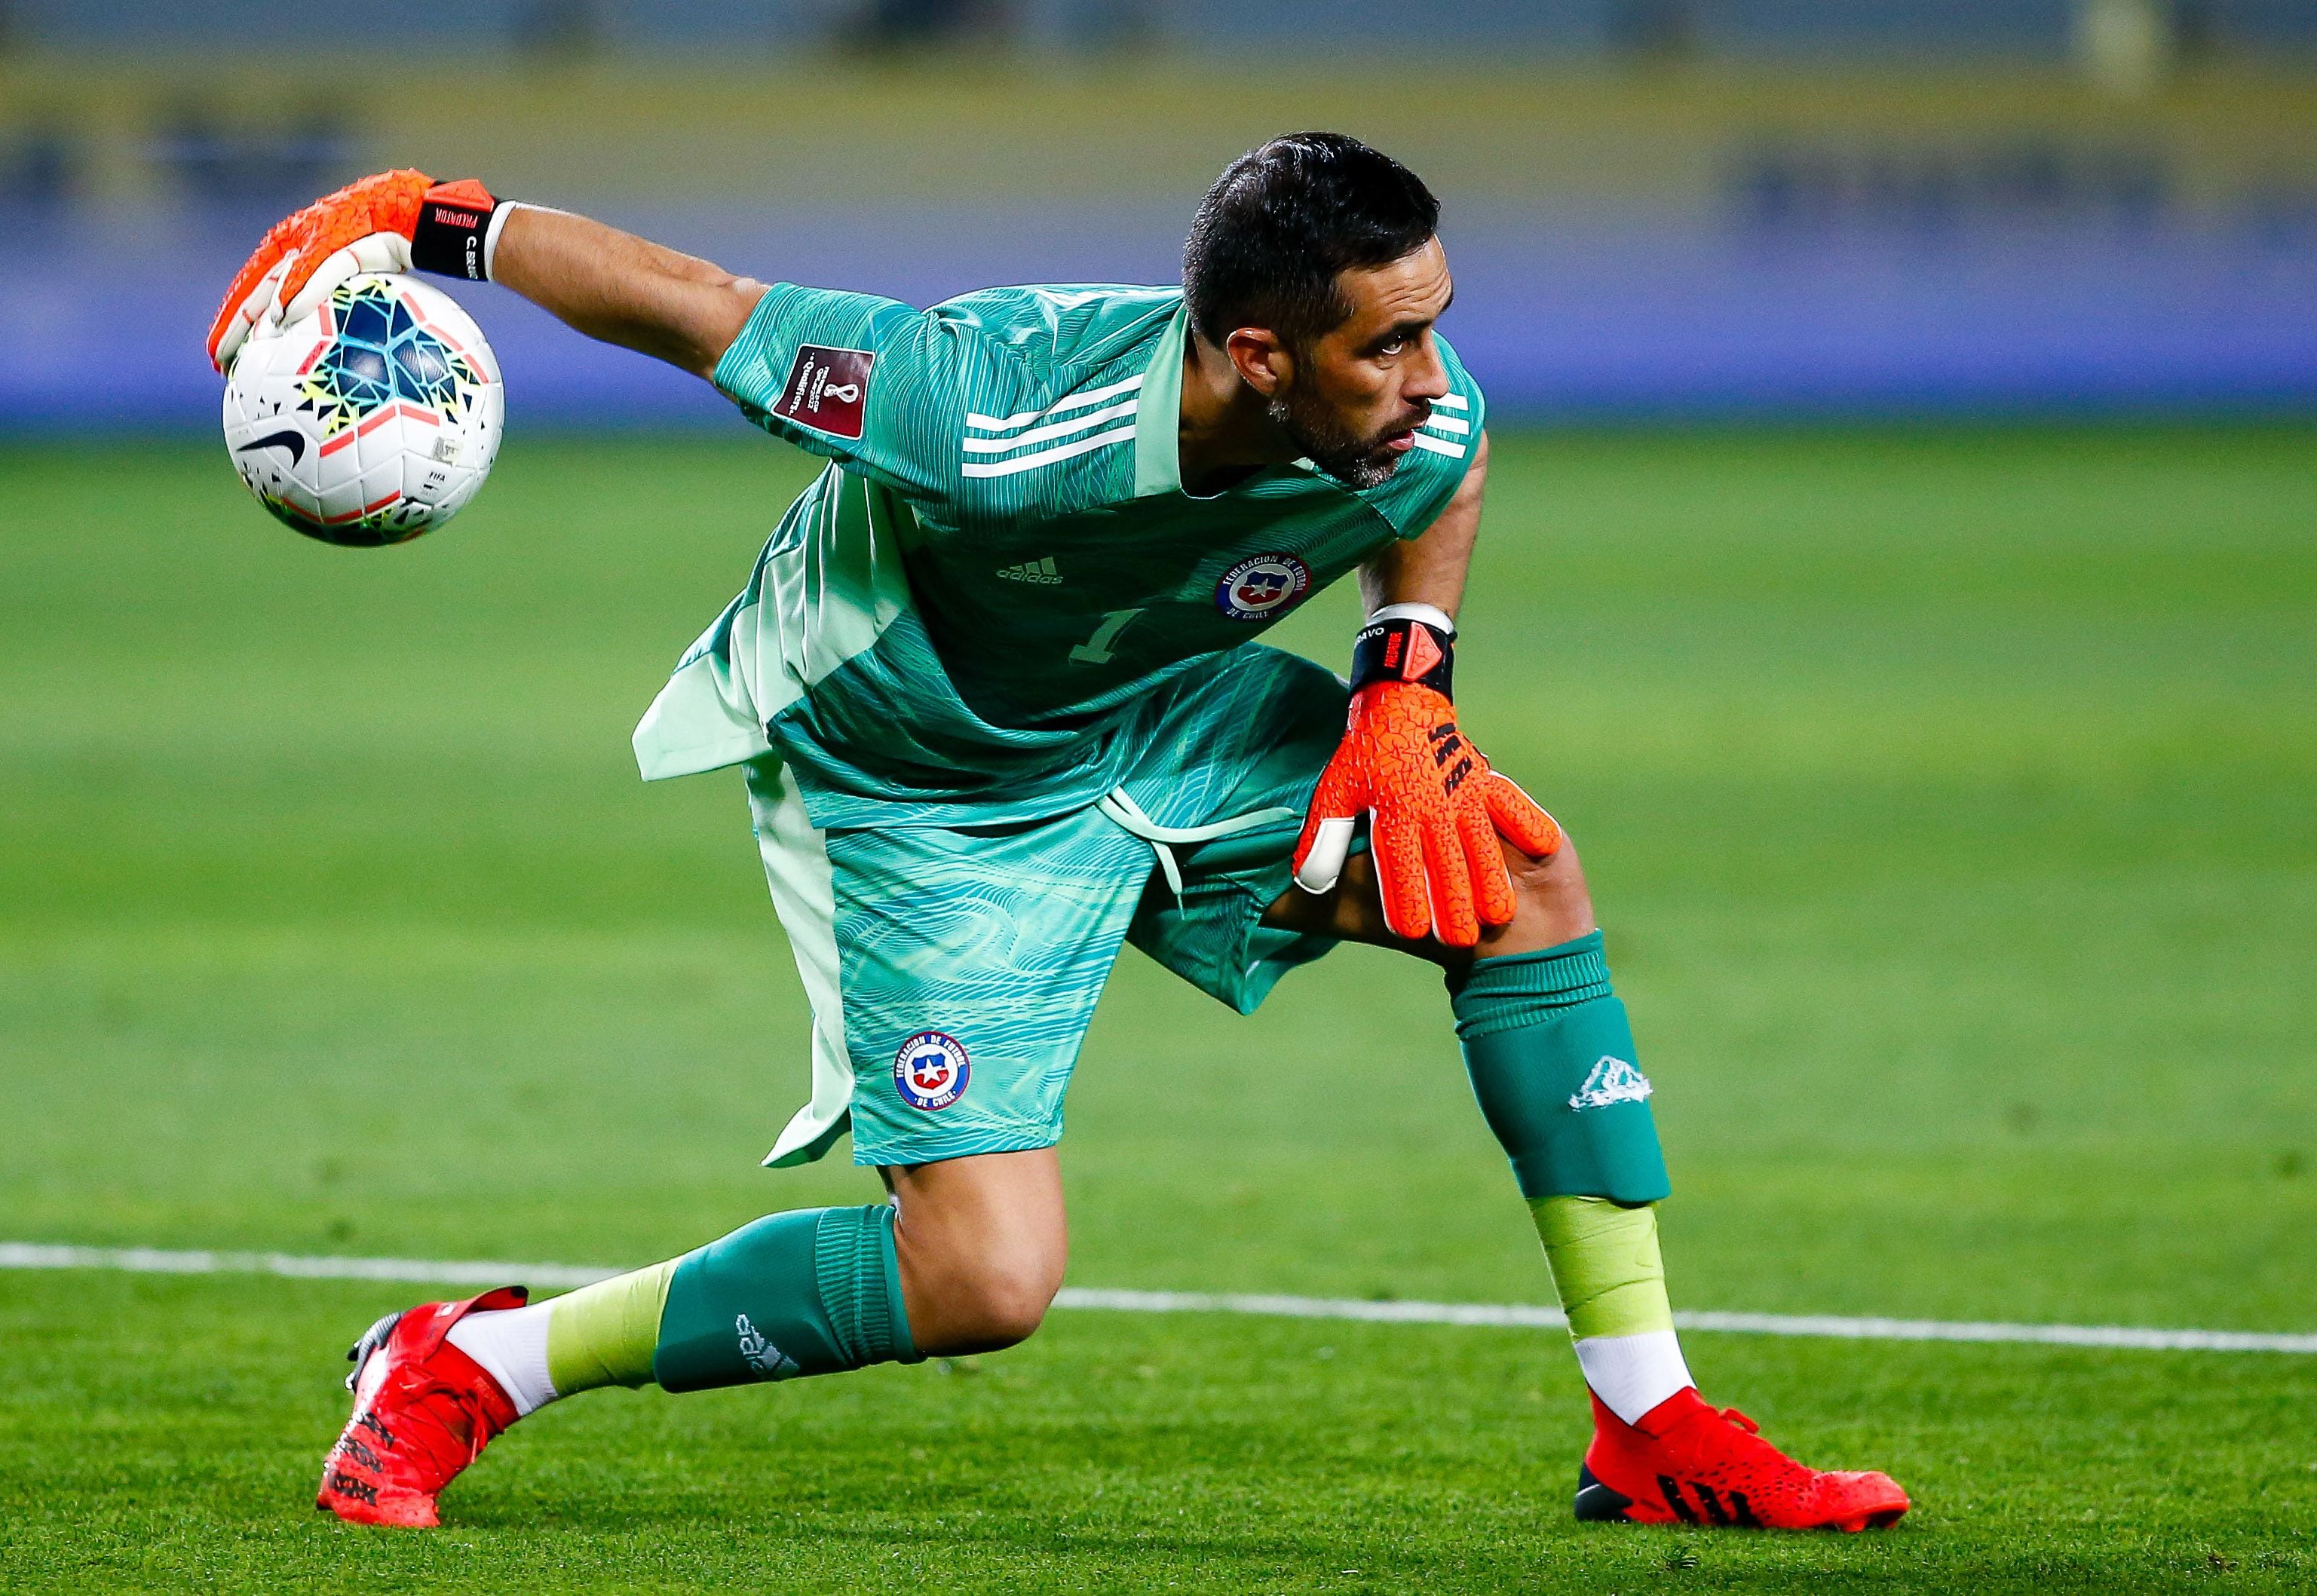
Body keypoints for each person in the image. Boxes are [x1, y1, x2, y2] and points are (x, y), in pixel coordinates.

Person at [207, 133, 1908, 1534]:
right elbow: (697, 306)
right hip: (917, 777)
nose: (1428, 372)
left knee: (1519, 875)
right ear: (1260, 357)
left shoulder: (1412, 412)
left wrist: (1408, 682)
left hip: (1154, 715)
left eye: (1431, 324)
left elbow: (1439, 477)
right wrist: (426, 221)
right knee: (984, 1280)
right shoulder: (983, 407)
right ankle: (471, 1362)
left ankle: (1649, 1419)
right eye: (1383, 344)